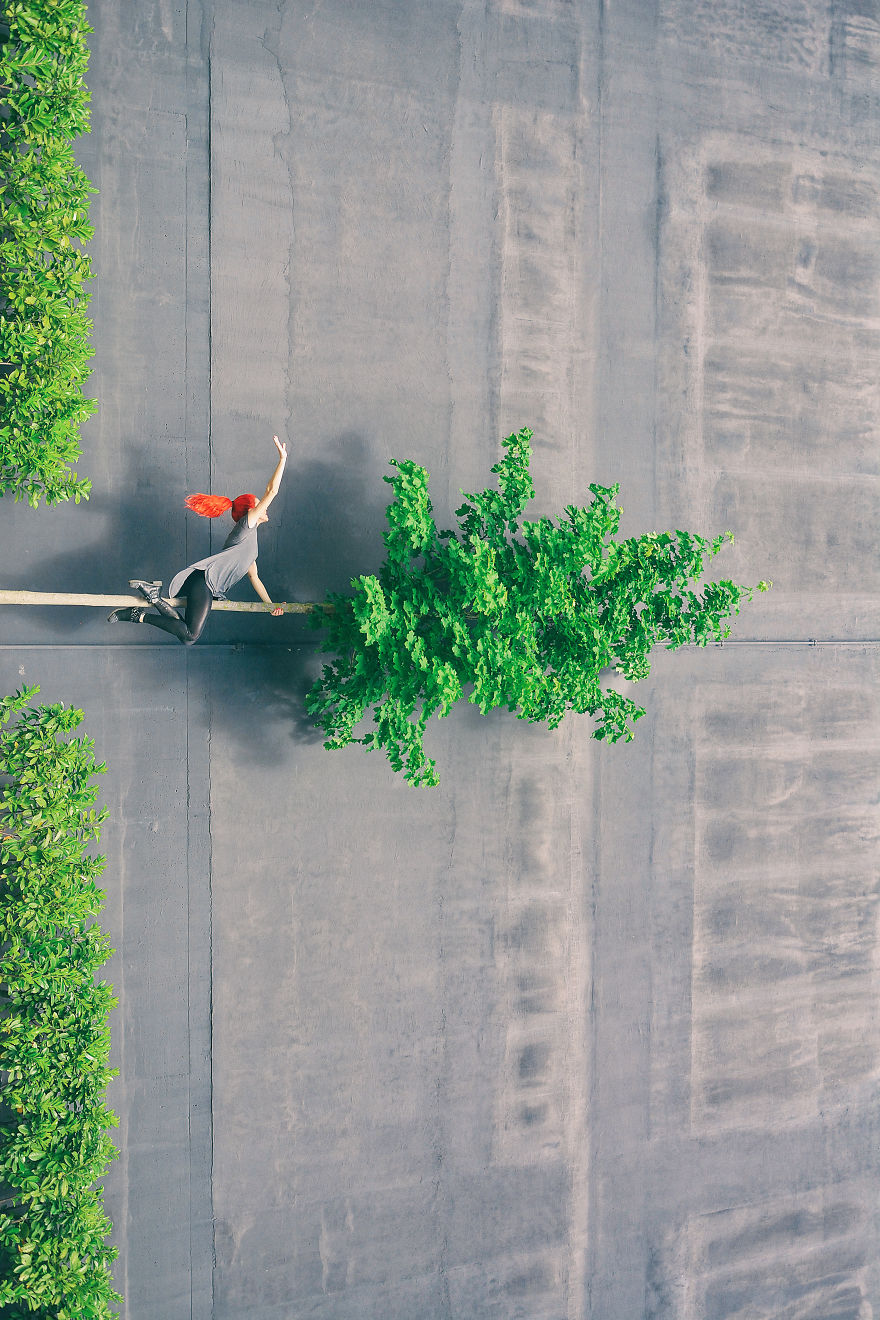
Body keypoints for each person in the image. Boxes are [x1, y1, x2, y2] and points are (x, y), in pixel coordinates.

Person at [109, 435, 288, 645]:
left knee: (188, 638)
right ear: (251, 512)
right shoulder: (245, 528)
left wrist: (271, 606)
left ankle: (154, 598)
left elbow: (254, 577)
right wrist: (282, 459)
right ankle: (137, 615)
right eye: (260, 504)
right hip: (203, 582)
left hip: (206, 586)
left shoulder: (250, 542)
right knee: (191, 634)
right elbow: (272, 490)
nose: (265, 507)